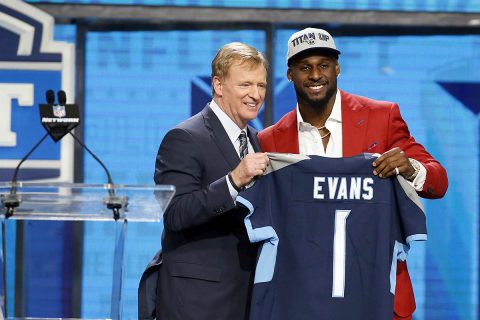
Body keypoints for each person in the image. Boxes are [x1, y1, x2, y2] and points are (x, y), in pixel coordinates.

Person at [258, 27, 448, 320]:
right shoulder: (270, 141)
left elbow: (438, 181)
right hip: (303, 300)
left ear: (337, 68)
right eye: (304, 67)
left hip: (376, 296)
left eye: (323, 65)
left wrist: (410, 168)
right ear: (290, 74)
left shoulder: (381, 117)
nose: (315, 75)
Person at [153, 42, 270, 320]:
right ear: (218, 85)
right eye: (245, 85)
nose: (255, 95)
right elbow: (175, 214)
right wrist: (233, 181)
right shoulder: (184, 137)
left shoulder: (256, 140)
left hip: (246, 297)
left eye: (261, 85)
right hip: (198, 301)